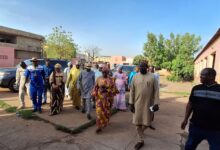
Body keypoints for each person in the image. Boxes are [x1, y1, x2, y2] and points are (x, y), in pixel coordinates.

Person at [181, 68, 220, 150]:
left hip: (215, 130)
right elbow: (190, 104)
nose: (200, 76)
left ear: (211, 76)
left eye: (203, 75)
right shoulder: (196, 88)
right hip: (196, 126)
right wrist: (185, 119)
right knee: (189, 147)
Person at [129, 61, 159, 150]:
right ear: (139, 67)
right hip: (137, 104)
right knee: (137, 123)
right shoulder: (135, 77)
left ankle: (141, 133)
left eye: (144, 67)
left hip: (148, 104)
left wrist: (156, 103)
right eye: (140, 67)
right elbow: (132, 91)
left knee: (147, 122)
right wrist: (131, 103)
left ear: (147, 67)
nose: (142, 68)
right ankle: (140, 140)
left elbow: (156, 90)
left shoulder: (152, 77)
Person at [92, 67, 118, 133]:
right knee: (99, 112)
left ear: (108, 72)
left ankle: (105, 122)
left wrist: (106, 90)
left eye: (106, 72)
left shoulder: (111, 80)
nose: (104, 73)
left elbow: (114, 89)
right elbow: (95, 88)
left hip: (107, 99)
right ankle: (99, 126)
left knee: (106, 112)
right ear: (101, 72)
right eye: (103, 72)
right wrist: (93, 96)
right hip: (99, 98)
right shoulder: (98, 79)